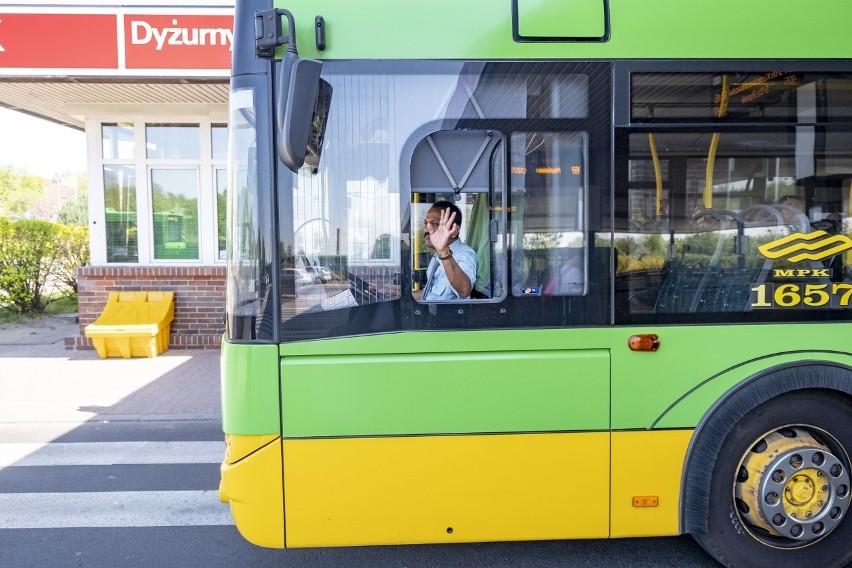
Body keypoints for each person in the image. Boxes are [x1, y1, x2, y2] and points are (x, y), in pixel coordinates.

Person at [413, 200, 477, 301]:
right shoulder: (437, 256)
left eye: (434, 223)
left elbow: (465, 290)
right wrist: (389, 290)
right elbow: (429, 294)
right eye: (426, 223)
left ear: (454, 231)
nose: (426, 230)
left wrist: (443, 252)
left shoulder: (464, 254)